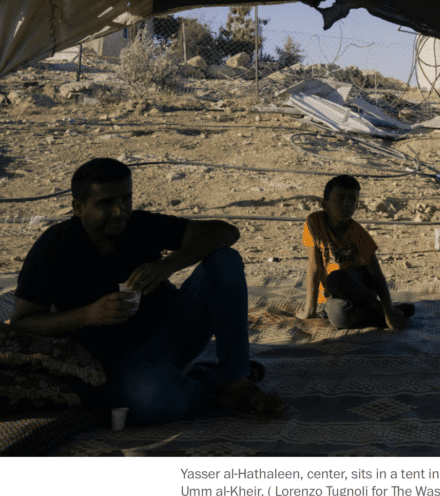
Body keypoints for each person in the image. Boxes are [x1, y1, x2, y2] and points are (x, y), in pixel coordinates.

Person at [9, 157, 284, 424]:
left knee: (225, 260)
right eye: (105, 203)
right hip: (122, 360)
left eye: (125, 199)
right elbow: (23, 323)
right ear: (78, 208)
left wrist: (170, 264)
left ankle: (235, 378)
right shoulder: (53, 248)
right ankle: (210, 382)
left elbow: (226, 232)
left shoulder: (139, 225)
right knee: (149, 403)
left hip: (177, 329)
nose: (119, 211)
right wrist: (88, 315)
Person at [298, 174, 414, 330]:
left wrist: (388, 311)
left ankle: (385, 311)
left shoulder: (359, 234)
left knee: (336, 279)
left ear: (357, 206)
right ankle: (389, 312)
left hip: (359, 287)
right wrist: (309, 310)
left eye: (352, 200)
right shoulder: (313, 222)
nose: (347, 204)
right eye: (340, 199)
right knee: (339, 319)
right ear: (324, 204)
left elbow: (377, 276)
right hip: (335, 296)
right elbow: (314, 266)